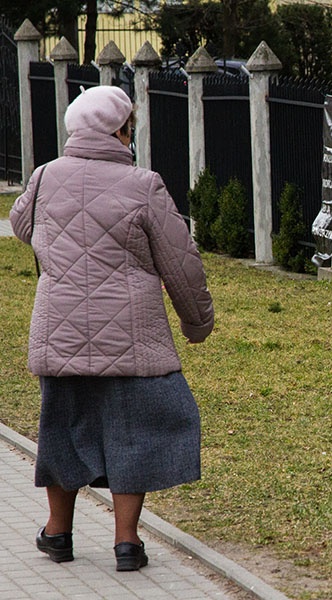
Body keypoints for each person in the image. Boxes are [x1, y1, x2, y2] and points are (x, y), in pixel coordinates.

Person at [10, 85, 214, 572]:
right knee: (133, 434)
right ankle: (126, 544)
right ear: (121, 130)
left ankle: (58, 534)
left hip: (58, 335)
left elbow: (21, 226)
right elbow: (181, 265)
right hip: (131, 338)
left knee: (61, 430)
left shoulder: (43, 178)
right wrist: (197, 321)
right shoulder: (144, 185)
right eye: (131, 127)